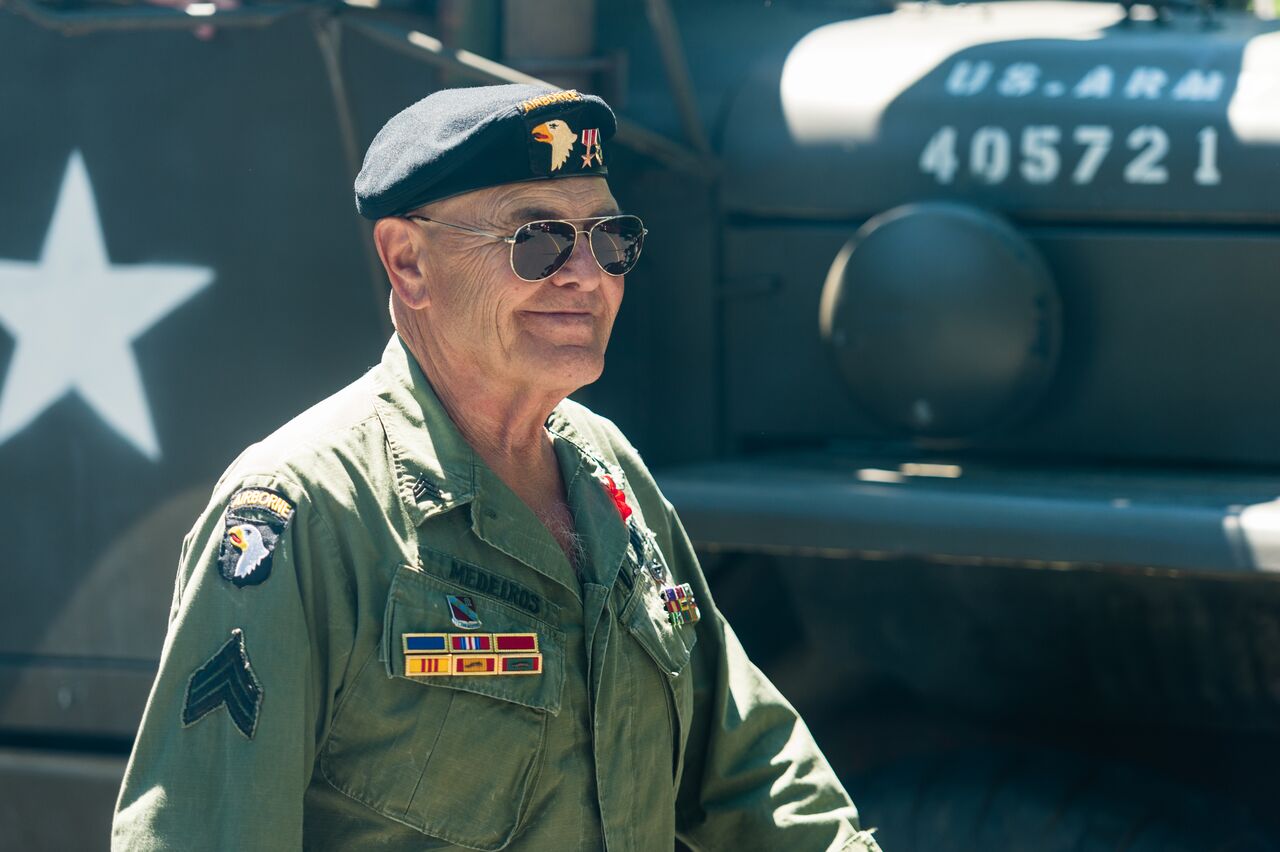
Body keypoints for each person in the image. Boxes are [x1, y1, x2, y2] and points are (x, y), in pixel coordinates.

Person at [112, 84, 881, 851]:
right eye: (537, 239)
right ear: (409, 263)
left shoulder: (605, 473)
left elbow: (748, 766)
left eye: (610, 238)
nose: (586, 274)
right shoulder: (304, 510)